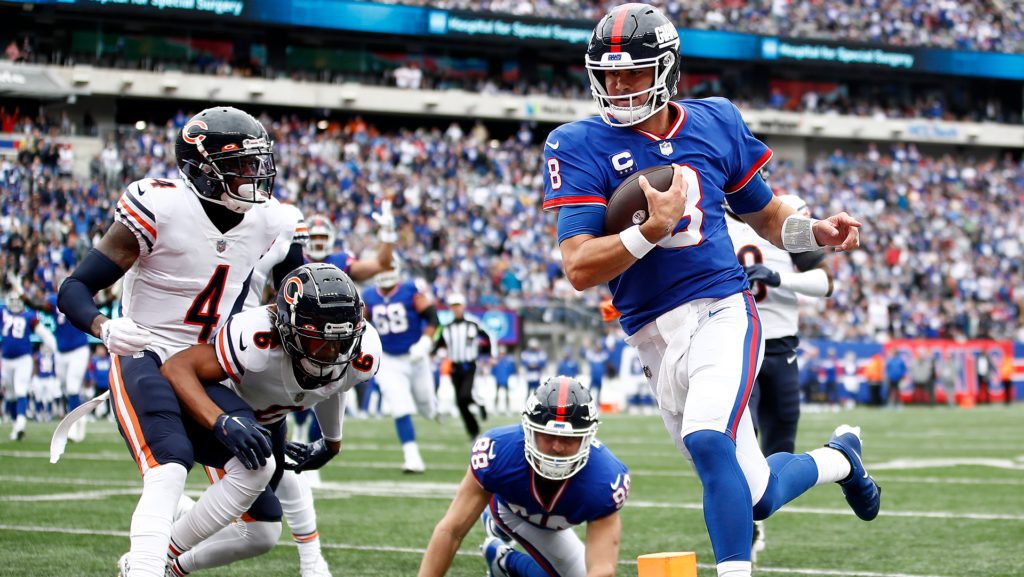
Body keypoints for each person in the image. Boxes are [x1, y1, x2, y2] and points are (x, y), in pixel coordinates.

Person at [541, 6, 877, 577]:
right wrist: (648, 230)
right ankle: (840, 460)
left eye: (632, 72)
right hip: (650, 332)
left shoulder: (715, 120)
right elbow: (578, 267)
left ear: (667, 70)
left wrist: (812, 231)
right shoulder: (576, 143)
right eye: (608, 74)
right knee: (756, 493)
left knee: (707, 437)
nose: (617, 85)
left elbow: (767, 216)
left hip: (722, 307)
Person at [55, 106, 304, 577]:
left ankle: (161, 561)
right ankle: (146, 569)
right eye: (240, 164)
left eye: (256, 162)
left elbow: (288, 294)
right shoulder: (161, 206)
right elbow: (74, 289)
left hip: (205, 364)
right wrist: (105, 327)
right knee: (169, 465)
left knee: (259, 473)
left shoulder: (270, 220)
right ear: (203, 170)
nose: (253, 174)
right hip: (144, 351)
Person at [159, 264, 380, 577]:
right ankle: (154, 558)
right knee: (263, 506)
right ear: (288, 327)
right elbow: (177, 368)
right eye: (318, 340)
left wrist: (332, 443)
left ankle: (173, 551)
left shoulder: (361, 353)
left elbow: (335, 383)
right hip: (225, 415)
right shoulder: (258, 339)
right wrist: (220, 421)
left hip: (268, 424)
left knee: (262, 530)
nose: (330, 353)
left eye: (341, 342)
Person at [418, 376, 629, 577]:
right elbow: (451, 530)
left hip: (552, 524)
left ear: (587, 437)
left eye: (568, 438)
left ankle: (503, 560)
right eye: (548, 435)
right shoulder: (498, 451)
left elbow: (603, 568)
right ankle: (495, 521)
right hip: (510, 509)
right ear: (529, 431)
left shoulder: (605, 478)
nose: (557, 447)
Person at [726, 192, 835, 557]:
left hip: (781, 348)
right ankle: (742, 520)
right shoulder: (708, 214)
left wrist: (779, 278)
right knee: (736, 445)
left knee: (780, 451)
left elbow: (826, 282)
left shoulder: (785, 210)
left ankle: (756, 510)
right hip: (735, 345)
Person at [362, 262, 439, 473]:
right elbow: (360, 324)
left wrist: (425, 342)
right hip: (388, 359)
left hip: (415, 356)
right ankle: (412, 457)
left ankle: (433, 408)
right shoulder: (368, 295)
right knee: (399, 406)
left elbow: (432, 316)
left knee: (426, 407)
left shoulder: (410, 289)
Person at [9, 282, 93, 441]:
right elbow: (37, 306)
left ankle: (73, 426)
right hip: (61, 351)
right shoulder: (55, 301)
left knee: (72, 387)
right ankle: (80, 418)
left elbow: (98, 306)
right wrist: (22, 294)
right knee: (65, 389)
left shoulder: (81, 299)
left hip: (79, 349)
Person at [433, 292, 495, 440]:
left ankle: (479, 403)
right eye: (453, 306)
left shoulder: (473, 324)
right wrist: (432, 353)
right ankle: (474, 432)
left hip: (469, 365)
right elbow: (439, 343)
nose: (456, 309)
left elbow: (486, 338)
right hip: (455, 366)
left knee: (465, 395)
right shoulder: (446, 328)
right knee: (460, 403)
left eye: (458, 305)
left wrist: (489, 355)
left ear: (463, 306)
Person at [2, 293, 57, 440]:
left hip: (23, 359)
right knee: (10, 395)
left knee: (20, 390)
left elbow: (44, 333)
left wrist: (55, 348)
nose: (15, 304)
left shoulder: (28, 316)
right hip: (6, 360)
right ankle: (16, 425)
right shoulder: (4, 313)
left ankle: (20, 424)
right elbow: (45, 334)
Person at [490, 347, 517, 416]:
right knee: (497, 396)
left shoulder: (508, 361)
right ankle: (495, 409)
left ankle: (508, 409)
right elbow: (493, 371)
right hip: (498, 380)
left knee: (507, 396)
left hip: (505, 380)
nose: (502, 355)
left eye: (503, 353)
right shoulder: (496, 361)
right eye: (501, 353)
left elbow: (512, 370)